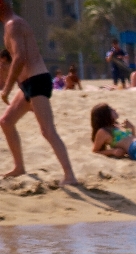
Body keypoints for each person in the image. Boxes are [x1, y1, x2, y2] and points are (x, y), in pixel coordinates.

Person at [0, 4, 77, 185]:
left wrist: (7, 88)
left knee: (47, 130)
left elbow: (20, 58)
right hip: (28, 84)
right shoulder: (10, 24)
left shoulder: (14, 24)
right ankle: (19, 166)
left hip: (37, 81)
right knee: (6, 121)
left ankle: (70, 176)